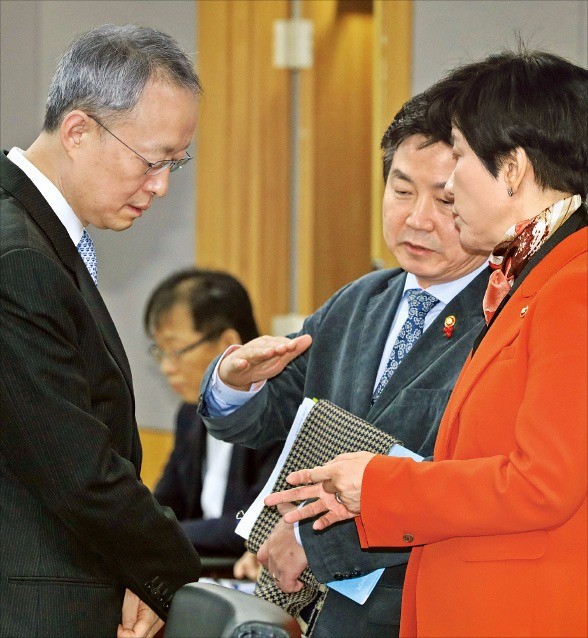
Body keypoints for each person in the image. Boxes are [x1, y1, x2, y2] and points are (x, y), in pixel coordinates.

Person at [268, 49, 588, 637]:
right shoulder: (528, 279)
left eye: (460, 160)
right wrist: (369, 499)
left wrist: (381, 485)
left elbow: (542, 483)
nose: (449, 186)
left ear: (512, 168)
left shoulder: (574, 283)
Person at [198, 87, 491, 636]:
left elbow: (473, 490)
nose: (418, 219)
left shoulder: (505, 318)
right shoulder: (361, 301)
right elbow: (272, 416)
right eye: (401, 190)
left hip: (426, 611)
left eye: (446, 201)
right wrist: (234, 383)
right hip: (327, 618)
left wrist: (316, 542)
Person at [0, 25, 203, 638]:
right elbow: (78, 468)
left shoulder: (39, 240)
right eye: (151, 161)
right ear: (80, 131)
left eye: (175, 164)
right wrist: (176, 576)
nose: (162, 186)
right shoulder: (20, 259)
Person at [144, 268, 282, 559]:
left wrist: (160, 532)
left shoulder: (278, 412)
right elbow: (165, 505)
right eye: (160, 352)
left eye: (176, 350)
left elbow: (256, 521)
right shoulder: (189, 413)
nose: (166, 367)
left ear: (226, 344)